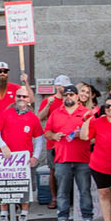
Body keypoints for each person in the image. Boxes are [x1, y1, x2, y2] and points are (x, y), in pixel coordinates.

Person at [0, 88, 44, 221]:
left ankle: (23, 217)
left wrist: (35, 157)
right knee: (3, 188)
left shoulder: (33, 118)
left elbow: (39, 139)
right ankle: (3, 217)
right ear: (15, 97)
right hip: (5, 159)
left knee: (24, 189)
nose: (21, 98)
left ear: (28, 99)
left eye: (24, 96)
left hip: (24, 160)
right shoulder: (6, 114)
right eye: (19, 96)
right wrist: (3, 146)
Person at [44, 85, 96, 221]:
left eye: (72, 94)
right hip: (62, 158)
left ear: (77, 97)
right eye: (66, 94)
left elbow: (94, 136)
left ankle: (87, 217)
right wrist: (54, 136)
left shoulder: (86, 113)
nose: (68, 97)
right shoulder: (55, 113)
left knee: (84, 190)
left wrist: (85, 135)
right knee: (62, 191)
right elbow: (47, 132)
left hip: (82, 159)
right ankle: (62, 218)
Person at [38, 74, 70, 210]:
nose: (66, 89)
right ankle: (54, 198)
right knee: (53, 171)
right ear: (57, 87)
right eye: (63, 86)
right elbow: (39, 117)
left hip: (68, 142)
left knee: (68, 171)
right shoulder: (48, 100)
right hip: (53, 143)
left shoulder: (70, 99)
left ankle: (68, 197)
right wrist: (49, 104)